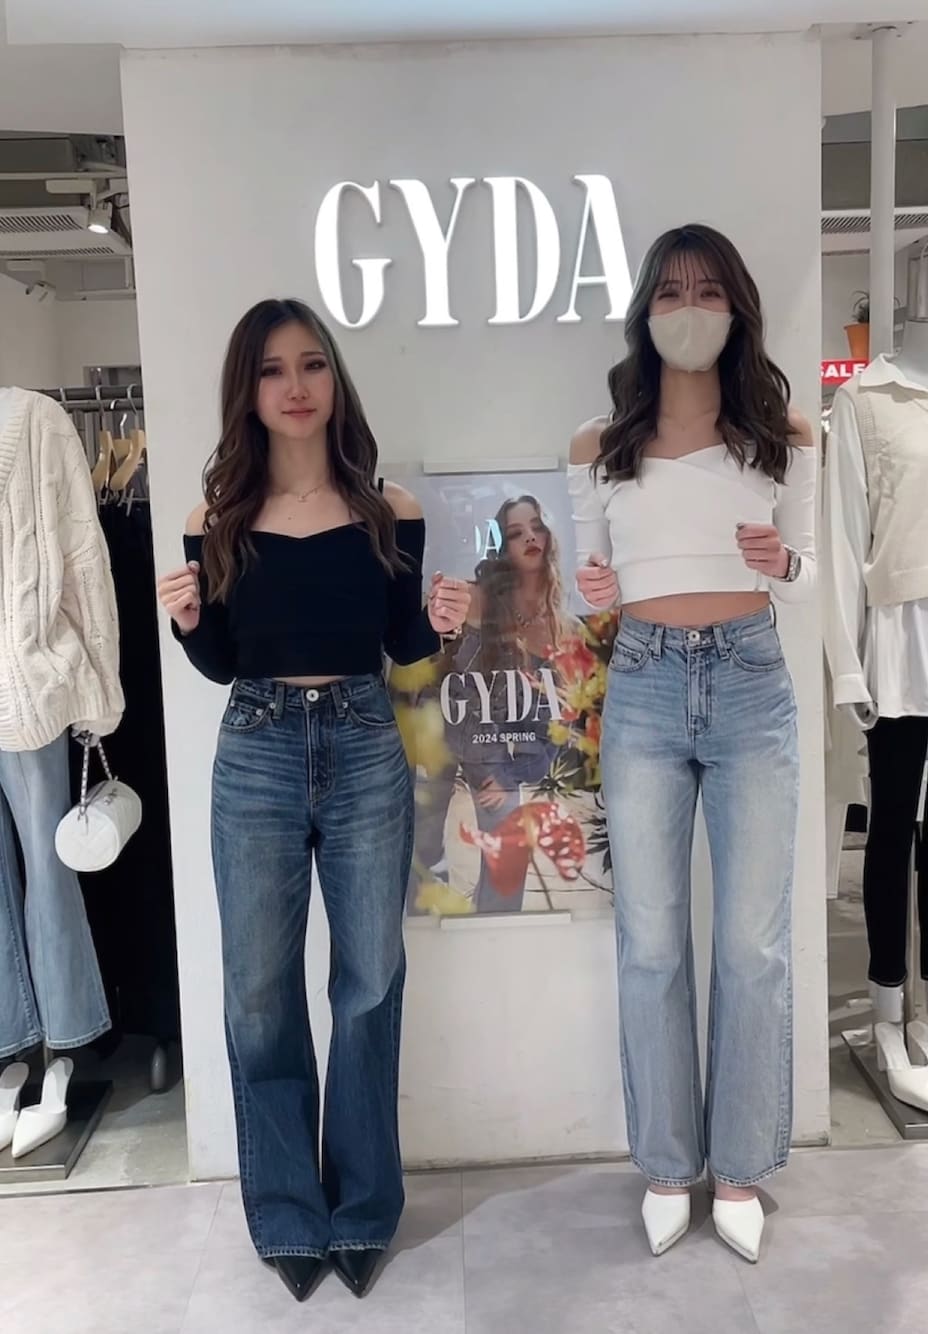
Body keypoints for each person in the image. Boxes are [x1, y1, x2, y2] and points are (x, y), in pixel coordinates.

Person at [156, 298, 470, 1303]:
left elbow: (405, 645)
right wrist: (188, 624)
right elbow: (221, 663)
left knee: (369, 978)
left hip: (365, 740)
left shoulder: (388, 509)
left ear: (335, 379)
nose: (295, 386)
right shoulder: (215, 521)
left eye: (311, 364)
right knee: (258, 988)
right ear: (247, 392)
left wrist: (442, 623)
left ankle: (365, 1205)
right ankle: (288, 1208)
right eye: (272, 370)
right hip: (255, 748)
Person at [568, 225, 815, 1265]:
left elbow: (809, 572)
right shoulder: (599, 444)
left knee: (753, 944)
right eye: (670, 291)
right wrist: (592, 588)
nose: (689, 309)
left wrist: (783, 559)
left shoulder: (782, 434)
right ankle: (669, 1164)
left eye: (708, 291)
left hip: (752, 680)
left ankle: (743, 1164)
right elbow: (589, 584)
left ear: (736, 307)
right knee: (652, 943)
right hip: (646, 684)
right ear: (644, 310)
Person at [446, 496, 571, 911]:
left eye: (536, 527)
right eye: (516, 533)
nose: (530, 538)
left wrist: (516, 773)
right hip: (460, 754)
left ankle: (500, 939)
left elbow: (558, 719)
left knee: (510, 859)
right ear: (502, 547)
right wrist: (493, 773)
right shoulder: (478, 601)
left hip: (517, 764)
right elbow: (461, 698)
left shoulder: (559, 622)